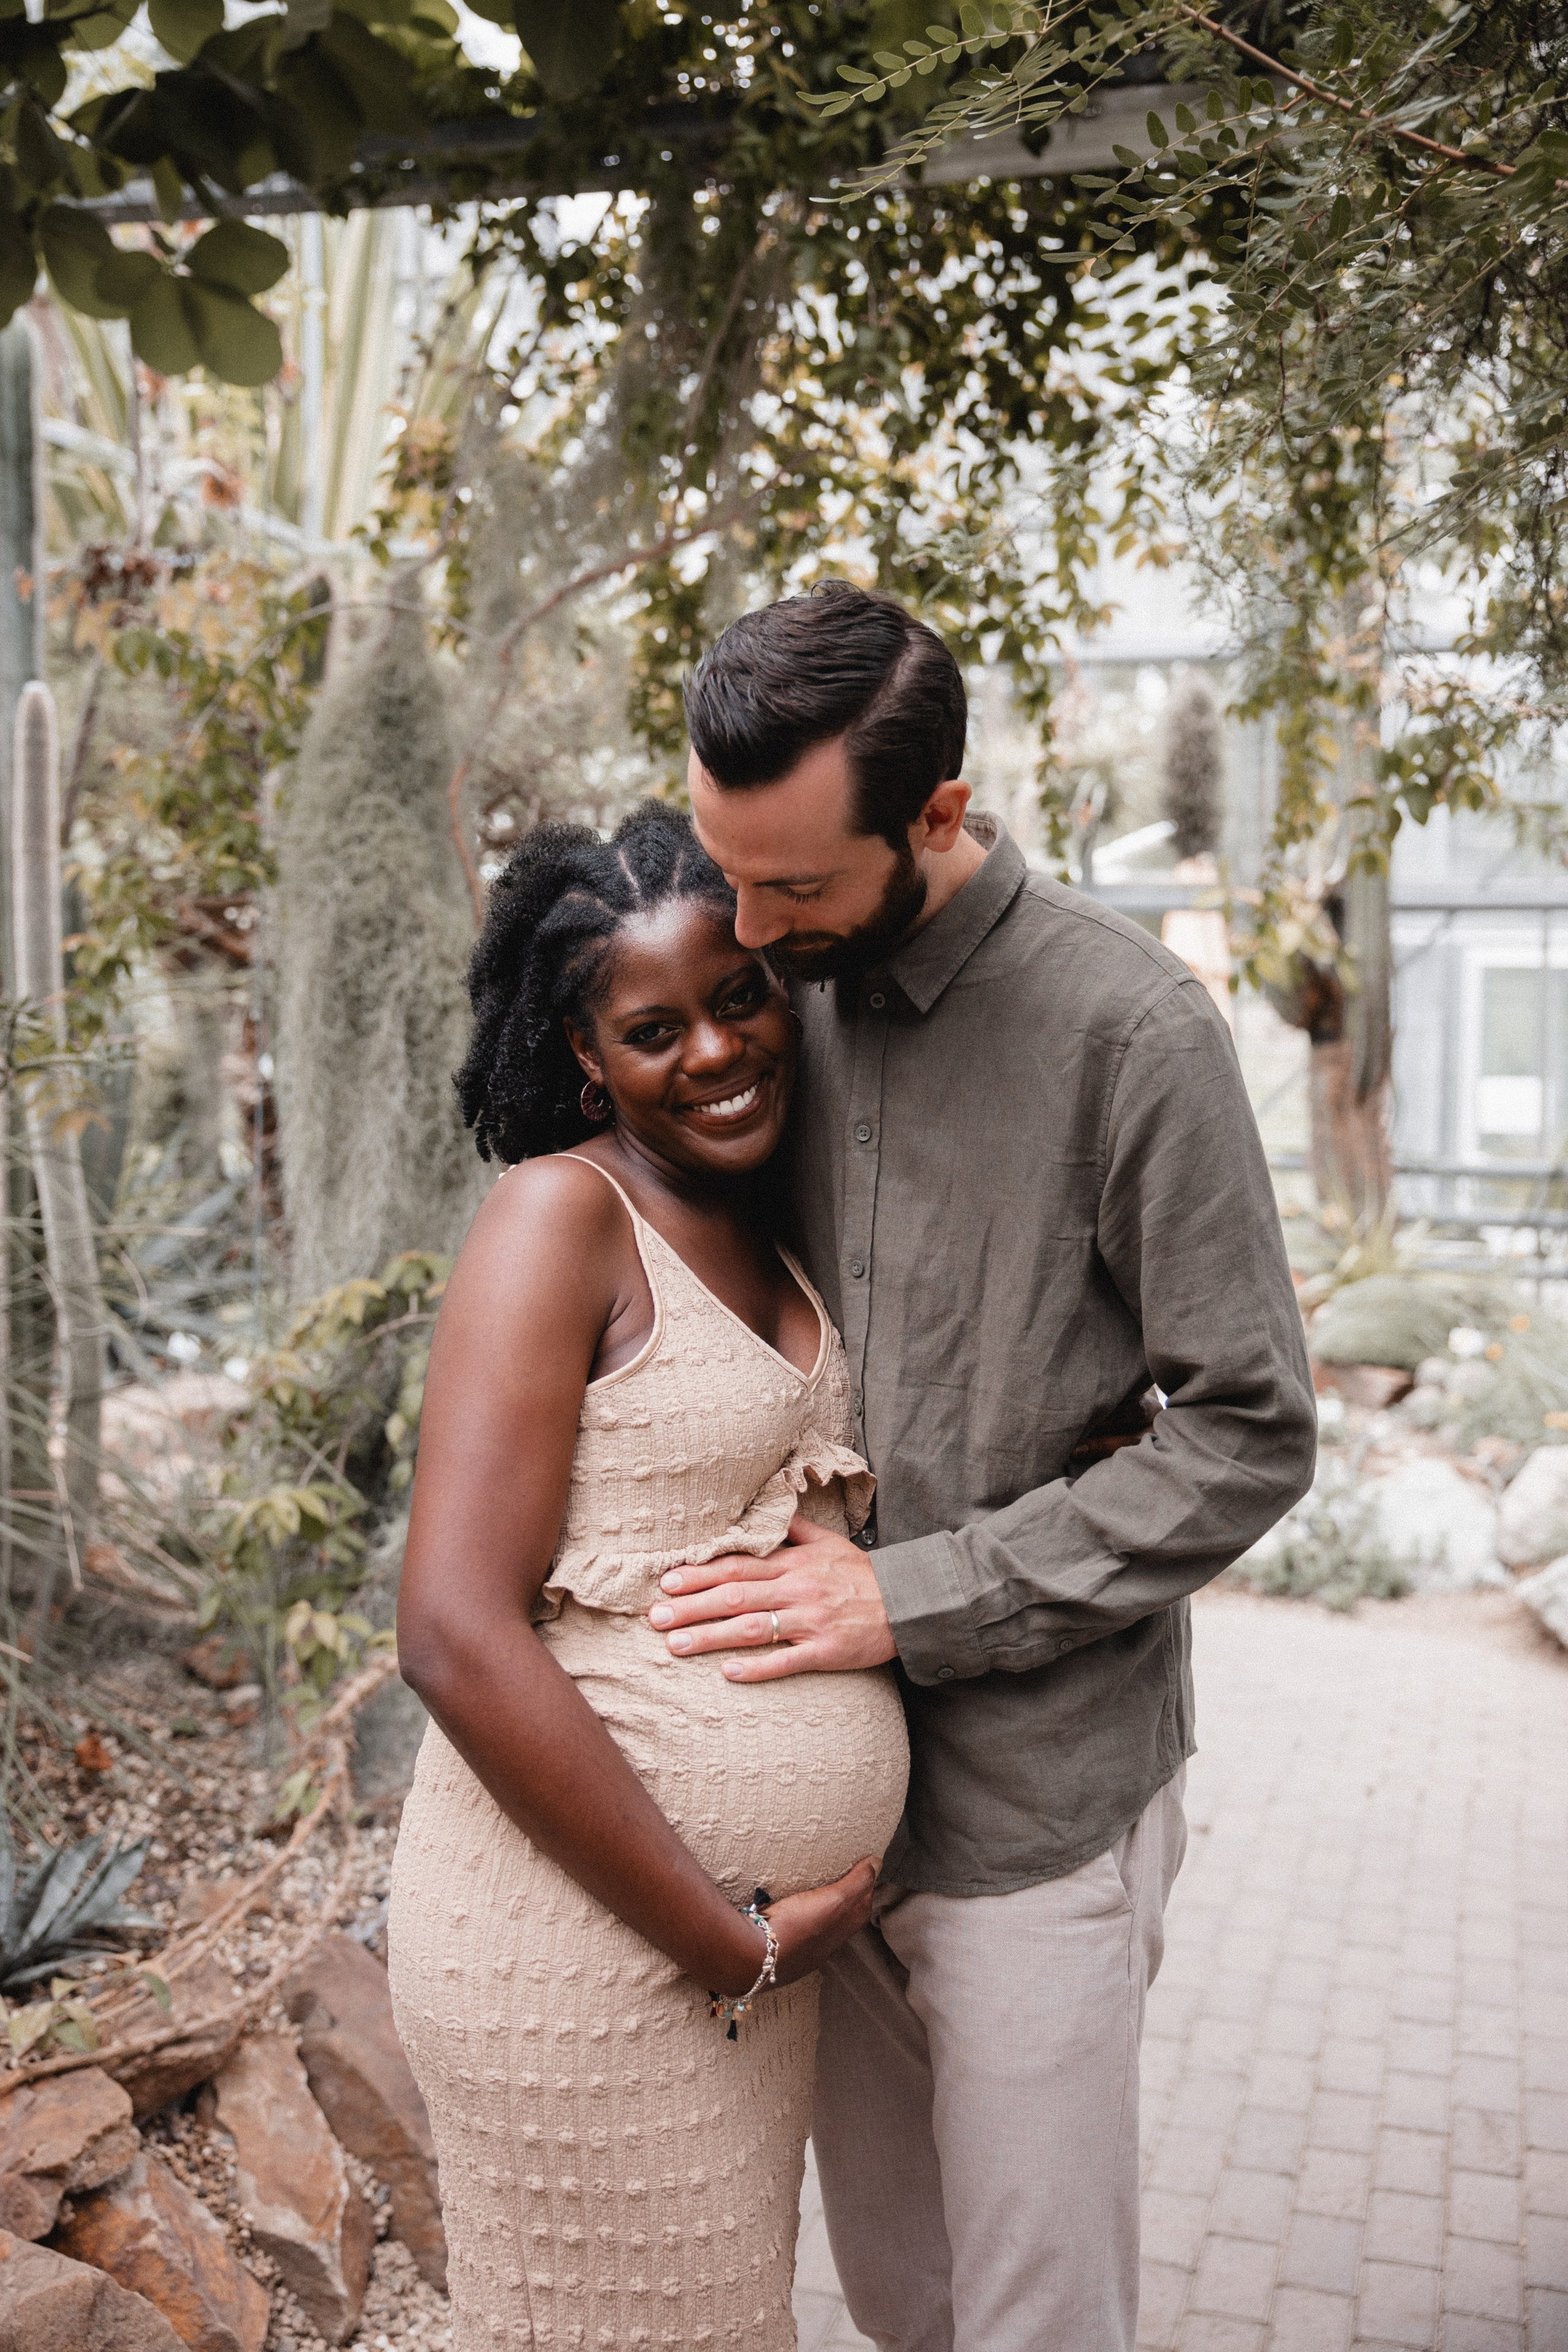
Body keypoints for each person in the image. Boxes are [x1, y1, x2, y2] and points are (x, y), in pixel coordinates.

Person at [645, 582, 1319, 2352]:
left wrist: (909, 1594)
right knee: (901, 2301)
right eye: (726, 868)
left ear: (936, 814)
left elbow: (1251, 1430)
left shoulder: (1135, 1034)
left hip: (1037, 1811)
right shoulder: (774, 993)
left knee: (1036, 2321)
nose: (746, 925)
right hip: (835, 1819)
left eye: (791, 885)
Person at [386, 802, 910, 2351]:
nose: (712, 1050)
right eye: (650, 1027)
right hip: (593, 1952)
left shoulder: (758, 1209)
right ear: (581, 1056)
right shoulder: (564, 1215)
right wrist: (719, 1938)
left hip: (735, 1956)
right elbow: (451, 1630)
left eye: (736, 997)